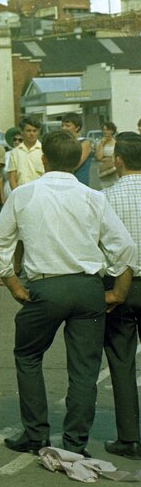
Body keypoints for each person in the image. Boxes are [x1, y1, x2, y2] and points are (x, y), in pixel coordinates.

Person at [0, 130, 134, 455]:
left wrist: (12, 283)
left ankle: (35, 433)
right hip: (87, 286)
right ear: (77, 160)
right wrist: (118, 292)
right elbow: (124, 249)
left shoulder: (23, 194)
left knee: (28, 355)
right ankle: (75, 442)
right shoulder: (93, 197)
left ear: (43, 159)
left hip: (45, 286)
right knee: (84, 367)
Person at [100, 133, 141, 458]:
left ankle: (129, 437)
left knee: (121, 359)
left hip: (121, 285)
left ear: (119, 161)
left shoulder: (106, 197)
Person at [8, 117, 44, 189]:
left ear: (38, 131)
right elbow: (12, 177)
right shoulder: (15, 152)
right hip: (21, 192)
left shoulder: (44, 150)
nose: (32, 134)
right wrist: (17, 194)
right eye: (28, 131)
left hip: (39, 192)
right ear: (22, 131)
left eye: (34, 131)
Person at [60, 112, 93, 185]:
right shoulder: (63, 142)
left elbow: (76, 163)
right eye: (62, 125)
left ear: (77, 127)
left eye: (67, 126)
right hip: (64, 183)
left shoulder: (84, 143)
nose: (64, 128)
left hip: (79, 182)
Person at [94, 122, 118, 188]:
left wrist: (106, 158)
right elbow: (99, 157)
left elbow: (114, 157)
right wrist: (102, 144)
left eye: (107, 129)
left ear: (112, 131)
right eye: (103, 130)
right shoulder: (99, 142)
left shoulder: (116, 143)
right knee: (104, 187)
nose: (105, 131)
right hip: (102, 168)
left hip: (113, 168)